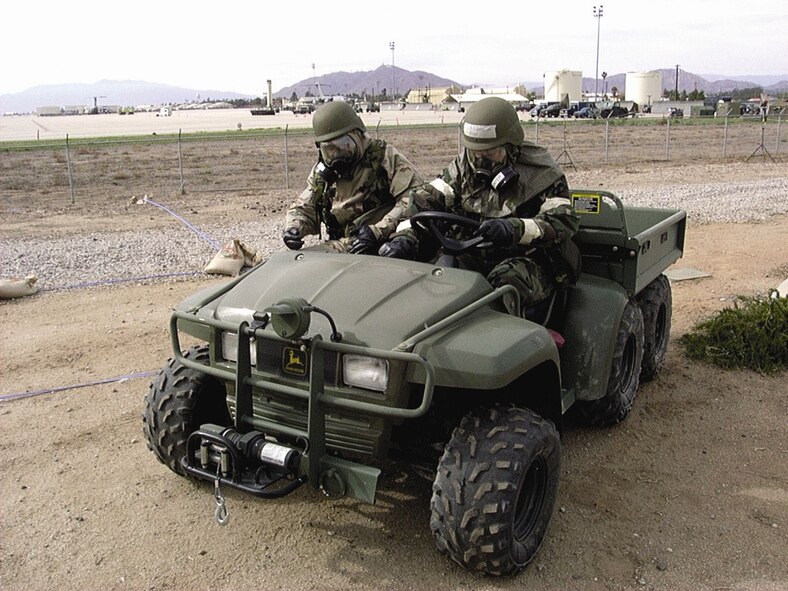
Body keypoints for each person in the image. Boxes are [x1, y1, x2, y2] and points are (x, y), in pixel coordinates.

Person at [381, 96, 580, 317]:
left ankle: (503, 343)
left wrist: (513, 229)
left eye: (490, 154)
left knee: (504, 286)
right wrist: (405, 237)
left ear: (511, 147)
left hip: (530, 259)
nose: (481, 162)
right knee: (438, 276)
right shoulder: (463, 167)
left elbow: (562, 221)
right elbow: (426, 199)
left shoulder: (542, 173)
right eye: (476, 154)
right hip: (473, 251)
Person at [283, 101, 425, 254]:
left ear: (358, 136)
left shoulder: (384, 158)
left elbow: (414, 198)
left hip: (384, 242)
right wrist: (294, 227)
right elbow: (306, 205)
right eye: (329, 149)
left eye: (343, 146)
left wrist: (378, 230)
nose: (337, 155)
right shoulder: (324, 173)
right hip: (346, 244)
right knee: (298, 262)